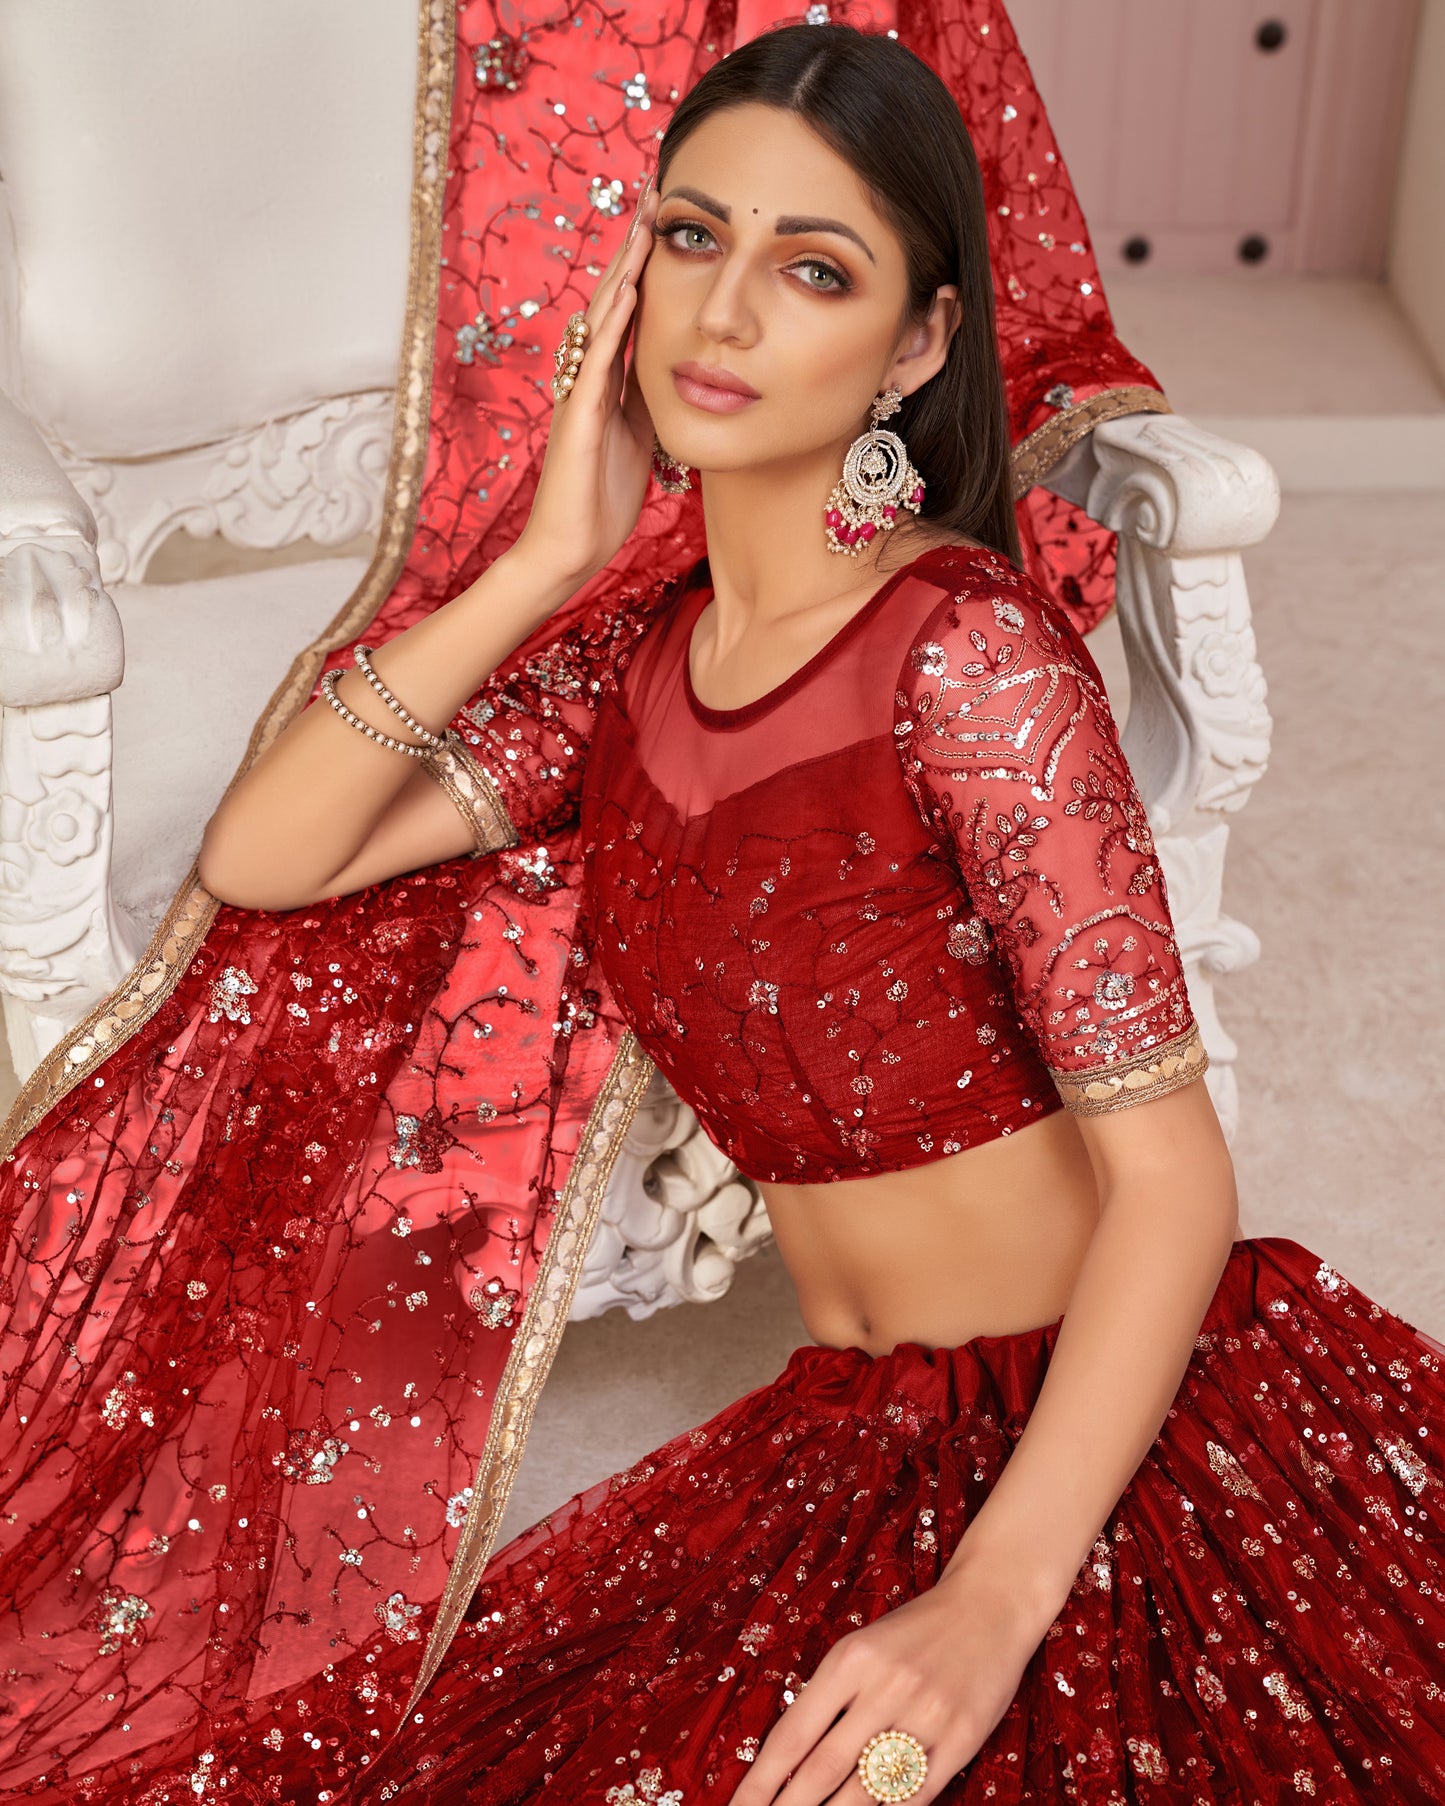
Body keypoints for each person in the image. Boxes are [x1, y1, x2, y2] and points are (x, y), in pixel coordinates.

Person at [1, 13, 1438, 1805]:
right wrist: (542, 557)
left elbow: (1172, 1175)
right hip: (852, 1437)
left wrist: (991, 1600)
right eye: (693, 236)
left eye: (812, 266)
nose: (726, 312)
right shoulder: (635, 666)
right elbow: (267, 858)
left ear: (918, 344)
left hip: (1095, 1435)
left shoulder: (969, 659)